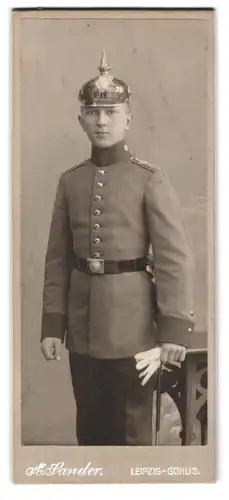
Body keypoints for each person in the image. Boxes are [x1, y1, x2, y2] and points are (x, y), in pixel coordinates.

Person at [40, 49, 195, 446]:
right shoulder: (70, 182)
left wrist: (174, 330)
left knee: (133, 435)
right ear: (81, 120)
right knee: (91, 430)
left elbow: (175, 260)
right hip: (82, 329)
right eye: (93, 113)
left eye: (111, 112)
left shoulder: (149, 179)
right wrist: (53, 325)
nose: (102, 120)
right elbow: (58, 259)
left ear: (129, 118)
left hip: (135, 331)